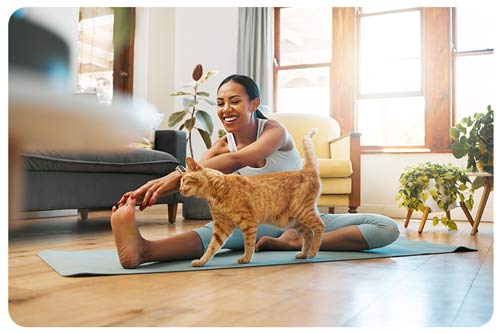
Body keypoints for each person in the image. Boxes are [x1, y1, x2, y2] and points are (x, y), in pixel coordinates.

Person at [111, 74, 400, 269]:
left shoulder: (274, 131)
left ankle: (294, 241)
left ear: (254, 104)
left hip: (300, 217)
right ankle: (143, 250)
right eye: (221, 103)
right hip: (253, 220)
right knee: (215, 232)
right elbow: (196, 176)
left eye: (234, 101)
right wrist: (149, 190)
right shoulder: (221, 145)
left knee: (387, 228)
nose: (226, 109)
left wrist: (173, 175)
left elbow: (240, 160)